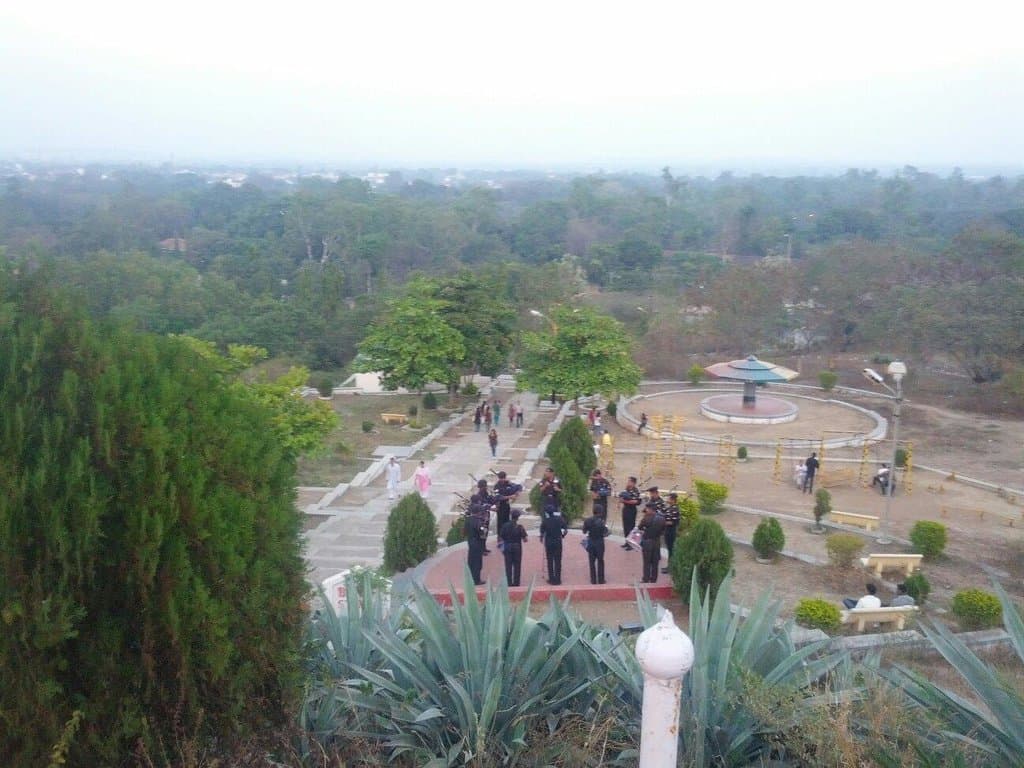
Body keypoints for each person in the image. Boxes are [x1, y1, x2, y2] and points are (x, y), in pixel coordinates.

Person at [464, 496, 490, 586]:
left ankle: (470, 578)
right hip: (477, 543)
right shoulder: (478, 522)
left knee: (471, 560)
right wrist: (485, 526)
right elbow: (483, 534)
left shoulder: (468, 520)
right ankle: (476, 580)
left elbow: (464, 532)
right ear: (479, 512)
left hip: (470, 541)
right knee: (477, 562)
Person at [638, 501, 666, 583]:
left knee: (646, 562)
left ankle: (645, 579)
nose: (646, 510)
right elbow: (663, 530)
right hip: (657, 542)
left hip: (647, 542)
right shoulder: (662, 518)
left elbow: (640, 528)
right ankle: (654, 579)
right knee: (655, 562)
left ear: (650, 509)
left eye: (647, 508)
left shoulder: (646, 518)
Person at [499, 510, 528, 587]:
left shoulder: (505, 525)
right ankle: (516, 583)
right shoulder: (520, 527)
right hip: (517, 547)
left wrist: (502, 547)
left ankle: (509, 582)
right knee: (517, 565)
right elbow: (525, 540)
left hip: (507, 546)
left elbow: (501, 537)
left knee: (508, 565)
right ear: (518, 517)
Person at [539, 509, 567, 584]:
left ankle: (551, 579)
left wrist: (541, 538)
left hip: (549, 542)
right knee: (558, 560)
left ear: (547, 513)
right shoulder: (559, 519)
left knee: (550, 560)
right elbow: (565, 529)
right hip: (558, 542)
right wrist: (563, 535)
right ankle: (558, 579)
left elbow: (541, 532)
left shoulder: (545, 521)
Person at [492, 470, 522, 542]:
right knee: (500, 522)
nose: (502, 479)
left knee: (507, 521)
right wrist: (510, 497)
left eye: (503, 478)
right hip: (500, 506)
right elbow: (498, 497)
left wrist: (516, 493)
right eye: (501, 478)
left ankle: (506, 535)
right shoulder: (497, 486)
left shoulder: (508, 484)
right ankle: (500, 536)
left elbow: (519, 487)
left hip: (507, 505)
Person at [582, 509, 610, 584]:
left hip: (591, 542)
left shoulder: (587, 520)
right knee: (600, 561)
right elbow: (606, 533)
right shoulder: (602, 522)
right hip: (599, 543)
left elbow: (584, 531)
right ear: (600, 513)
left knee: (591, 561)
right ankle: (601, 579)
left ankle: (593, 580)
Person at [470, 479, 495, 555]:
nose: (486, 487)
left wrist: (493, 498)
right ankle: (481, 550)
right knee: (481, 534)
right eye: (485, 486)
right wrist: (491, 508)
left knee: (485, 533)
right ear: (481, 487)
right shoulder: (479, 496)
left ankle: (484, 548)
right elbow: (482, 506)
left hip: (486, 516)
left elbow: (490, 501)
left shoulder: (486, 493)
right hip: (481, 518)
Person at [618, 476, 641, 550]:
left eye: (629, 481)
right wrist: (619, 502)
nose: (628, 482)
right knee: (625, 527)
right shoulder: (626, 489)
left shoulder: (636, 491)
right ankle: (626, 542)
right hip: (626, 509)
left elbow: (635, 501)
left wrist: (624, 501)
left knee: (630, 527)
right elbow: (621, 496)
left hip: (631, 510)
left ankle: (631, 544)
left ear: (633, 483)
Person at [661, 492, 681, 573]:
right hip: (667, 531)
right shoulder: (669, 508)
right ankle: (669, 566)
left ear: (672, 500)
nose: (667, 499)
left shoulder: (675, 509)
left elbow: (672, 522)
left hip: (671, 532)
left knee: (671, 550)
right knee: (669, 549)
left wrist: (662, 522)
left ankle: (671, 567)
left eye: (668, 498)